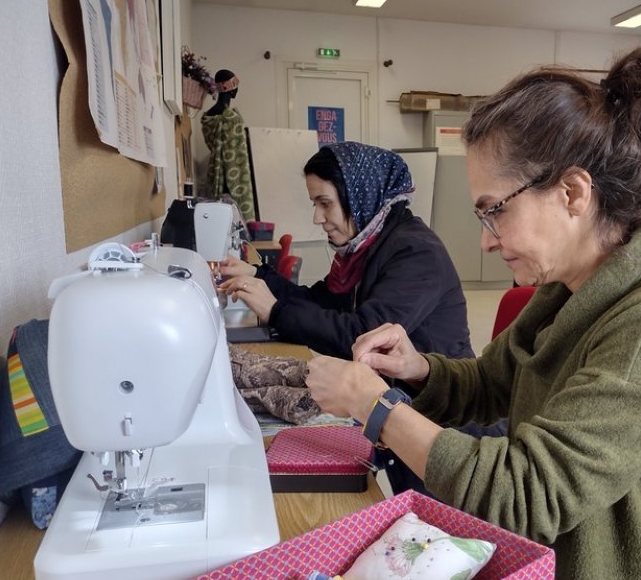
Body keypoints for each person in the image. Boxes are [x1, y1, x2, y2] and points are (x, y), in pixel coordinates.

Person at [304, 45, 641, 580]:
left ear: (572, 193)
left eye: (494, 213)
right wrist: (418, 368)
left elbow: (525, 496)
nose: (487, 243)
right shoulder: (566, 293)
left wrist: (379, 411)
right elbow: (490, 384)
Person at [218, 142, 472, 362]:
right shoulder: (366, 247)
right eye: (315, 204)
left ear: (361, 198)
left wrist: (276, 311)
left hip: (435, 410)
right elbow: (319, 301)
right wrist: (258, 275)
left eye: (325, 204)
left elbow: (362, 336)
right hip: (391, 390)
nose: (317, 217)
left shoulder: (417, 254)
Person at [202, 69, 256, 221]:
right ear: (231, 88)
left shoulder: (209, 117)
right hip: (236, 176)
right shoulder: (232, 118)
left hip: (215, 176)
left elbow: (212, 145)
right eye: (236, 85)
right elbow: (238, 153)